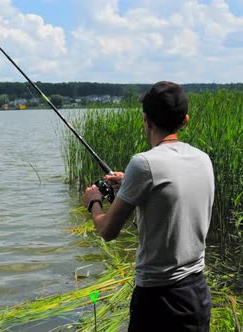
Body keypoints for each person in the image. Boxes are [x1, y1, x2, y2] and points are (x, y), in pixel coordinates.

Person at [83, 81, 214, 331]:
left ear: (146, 120)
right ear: (184, 120)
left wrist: (94, 203)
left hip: (158, 299)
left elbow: (108, 231)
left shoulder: (143, 164)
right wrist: (128, 183)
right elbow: (171, 194)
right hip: (197, 293)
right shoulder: (203, 159)